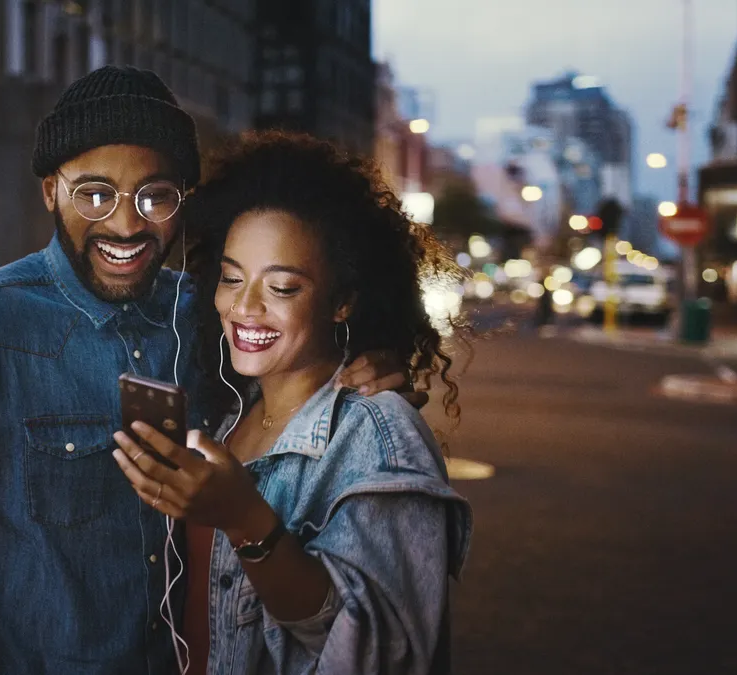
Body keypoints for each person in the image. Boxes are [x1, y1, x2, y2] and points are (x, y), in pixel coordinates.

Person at [0, 67, 416, 675]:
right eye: (95, 193)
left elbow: (299, 387)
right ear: (50, 190)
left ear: (182, 199)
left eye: (155, 196)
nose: (125, 225)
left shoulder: (213, 315)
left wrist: (367, 358)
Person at [111, 131, 474, 674]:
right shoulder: (230, 415)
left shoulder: (378, 430)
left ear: (343, 301)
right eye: (232, 278)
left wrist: (244, 516)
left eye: (282, 288)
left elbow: (381, 653)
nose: (245, 307)